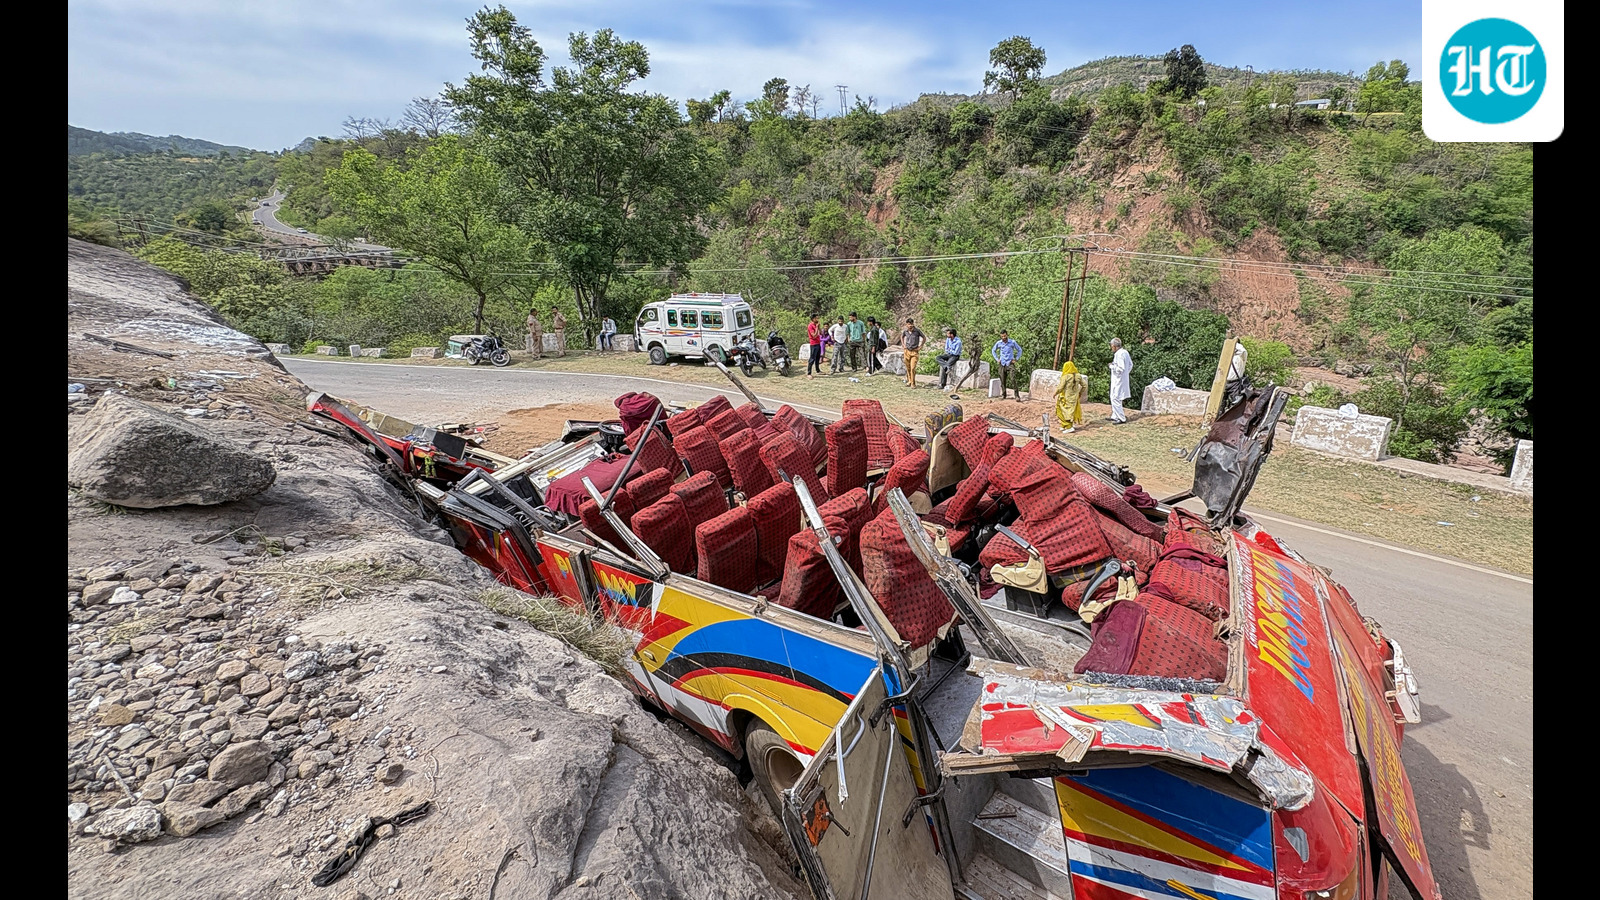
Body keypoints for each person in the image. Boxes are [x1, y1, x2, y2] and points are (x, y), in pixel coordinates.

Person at [991, 330, 1022, 400]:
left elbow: (1019, 350)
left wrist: (1016, 359)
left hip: (1010, 362)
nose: (1003, 337)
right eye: (1002, 336)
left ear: (1007, 335)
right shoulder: (999, 343)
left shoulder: (1012, 342)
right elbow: (993, 350)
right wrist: (997, 359)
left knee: (1012, 378)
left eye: (1004, 336)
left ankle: (1017, 395)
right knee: (1002, 379)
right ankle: (1004, 394)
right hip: (1002, 363)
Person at [1108, 337, 1133, 423]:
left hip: (1118, 380)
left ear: (1114, 346)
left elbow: (1120, 368)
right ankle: (1115, 415)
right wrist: (1126, 373)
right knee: (1115, 397)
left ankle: (1121, 418)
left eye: (1111, 346)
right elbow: (1130, 365)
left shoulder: (1118, 354)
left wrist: (1112, 366)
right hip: (1122, 379)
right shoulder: (1125, 352)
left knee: (1115, 398)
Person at [900, 319, 925, 387]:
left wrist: (920, 346)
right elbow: (902, 336)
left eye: (911, 324)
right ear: (906, 325)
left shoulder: (917, 331)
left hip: (914, 351)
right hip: (907, 351)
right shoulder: (905, 331)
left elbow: (924, 337)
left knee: (913, 368)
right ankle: (909, 381)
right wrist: (903, 345)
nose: (910, 326)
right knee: (908, 367)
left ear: (913, 324)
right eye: (908, 324)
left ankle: (913, 383)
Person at [806, 313, 823, 378]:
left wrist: (819, 327)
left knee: (817, 358)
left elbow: (821, 333)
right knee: (812, 358)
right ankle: (809, 373)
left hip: (818, 343)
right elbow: (814, 335)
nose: (817, 319)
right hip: (813, 344)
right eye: (816, 318)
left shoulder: (817, 325)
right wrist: (816, 327)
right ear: (813, 319)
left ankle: (818, 370)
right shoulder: (810, 326)